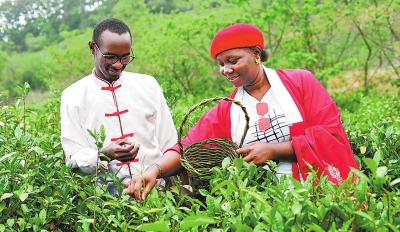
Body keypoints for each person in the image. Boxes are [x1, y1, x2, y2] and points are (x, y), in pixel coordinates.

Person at [127, 23, 359, 201]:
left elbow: (330, 134)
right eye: (220, 64)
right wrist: (153, 170)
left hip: (314, 194)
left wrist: (274, 151)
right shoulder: (226, 109)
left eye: (232, 60)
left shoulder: (301, 82)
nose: (225, 70)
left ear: (256, 53)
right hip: (257, 203)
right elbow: (187, 147)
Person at [60, 18, 177, 194]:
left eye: (125, 57)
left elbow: (170, 143)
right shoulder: (73, 95)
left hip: (157, 195)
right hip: (107, 206)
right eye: (110, 57)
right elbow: (73, 158)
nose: (118, 64)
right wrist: (104, 154)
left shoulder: (148, 85)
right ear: (93, 48)